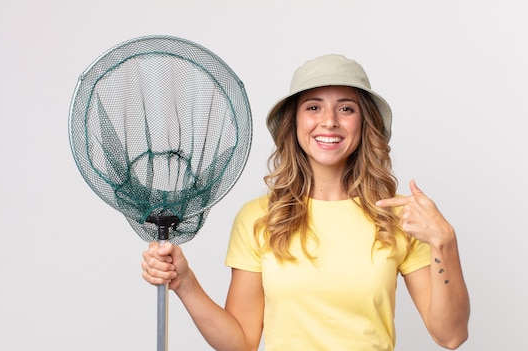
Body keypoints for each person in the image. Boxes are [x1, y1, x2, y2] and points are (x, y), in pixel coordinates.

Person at [142, 54, 470, 350]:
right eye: (314, 107)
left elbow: (450, 335)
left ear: (364, 122)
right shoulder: (259, 218)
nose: (329, 121)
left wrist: (445, 243)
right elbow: (241, 342)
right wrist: (185, 283)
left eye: (346, 108)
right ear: (295, 122)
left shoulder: (399, 217)